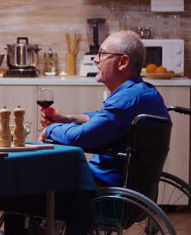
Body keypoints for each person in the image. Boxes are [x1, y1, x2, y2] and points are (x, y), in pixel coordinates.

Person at [38, 30, 169, 187]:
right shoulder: (140, 92)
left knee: (30, 178)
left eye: (102, 54)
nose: (95, 60)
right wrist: (67, 118)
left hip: (102, 189)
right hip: (110, 183)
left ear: (123, 62)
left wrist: (51, 129)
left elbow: (78, 137)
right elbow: (104, 118)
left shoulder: (127, 100)